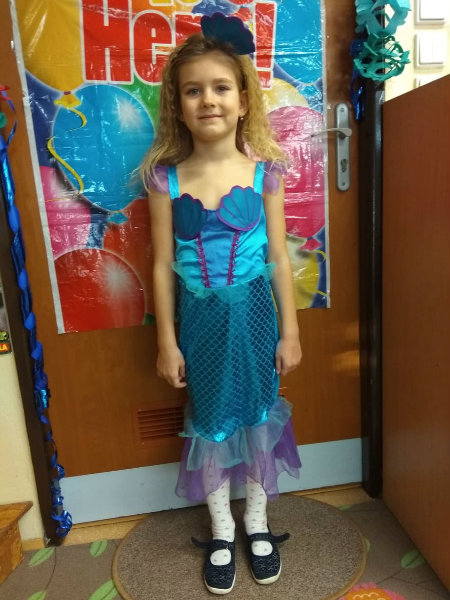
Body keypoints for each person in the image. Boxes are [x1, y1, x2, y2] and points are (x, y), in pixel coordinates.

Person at [141, 12, 302, 595]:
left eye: (220, 87)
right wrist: (167, 341)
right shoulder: (164, 179)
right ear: (178, 105)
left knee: (258, 417)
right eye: (193, 90)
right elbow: (162, 265)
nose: (208, 99)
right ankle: (222, 530)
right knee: (208, 423)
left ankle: (256, 523)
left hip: (256, 317)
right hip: (200, 323)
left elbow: (278, 257)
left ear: (242, 100)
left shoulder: (265, 175)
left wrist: (291, 332)